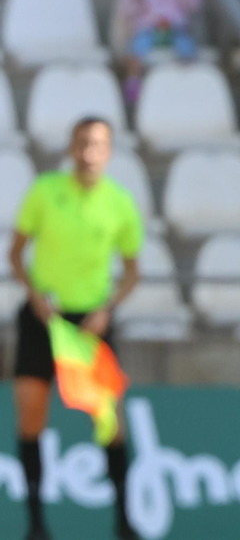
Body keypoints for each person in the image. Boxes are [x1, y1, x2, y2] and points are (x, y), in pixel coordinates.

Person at [10, 117, 143, 540]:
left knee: (109, 420)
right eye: (82, 143)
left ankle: (124, 520)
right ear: (70, 148)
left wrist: (107, 308)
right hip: (43, 319)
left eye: (97, 144)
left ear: (109, 151)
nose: (88, 152)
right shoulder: (45, 191)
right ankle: (36, 524)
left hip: (90, 325)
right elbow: (16, 253)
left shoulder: (119, 202)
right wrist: (35, 296)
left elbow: (132, 272)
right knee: (32, 413)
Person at [113, 0, 202, 103]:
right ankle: (133, 84)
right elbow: (127, 9)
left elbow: (194, 5)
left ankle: (189, 84)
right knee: (135, 50)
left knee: (188, 49)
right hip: (148, 31)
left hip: (175, 31)